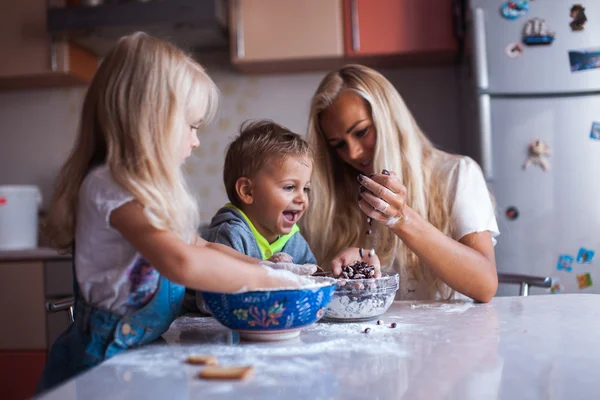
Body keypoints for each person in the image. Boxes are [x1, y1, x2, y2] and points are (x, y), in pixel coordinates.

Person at [36, 32, 307, 393]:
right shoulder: (109, 186)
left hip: (139, 350)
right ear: (149, 119)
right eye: (191, 126)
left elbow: (199, 246)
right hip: (104, 358)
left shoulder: (146, 191)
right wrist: (272, 283)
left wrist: (267, 267)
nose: (196, 140)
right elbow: (181, 262)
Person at [303, 64, 499, 303]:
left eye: (362, 132)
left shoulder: (456, 175)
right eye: (339, 145)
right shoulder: (334, 194)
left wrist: (402, 218)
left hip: (451, 335)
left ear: (389, 119)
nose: (353, 153)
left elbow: (485, 285)